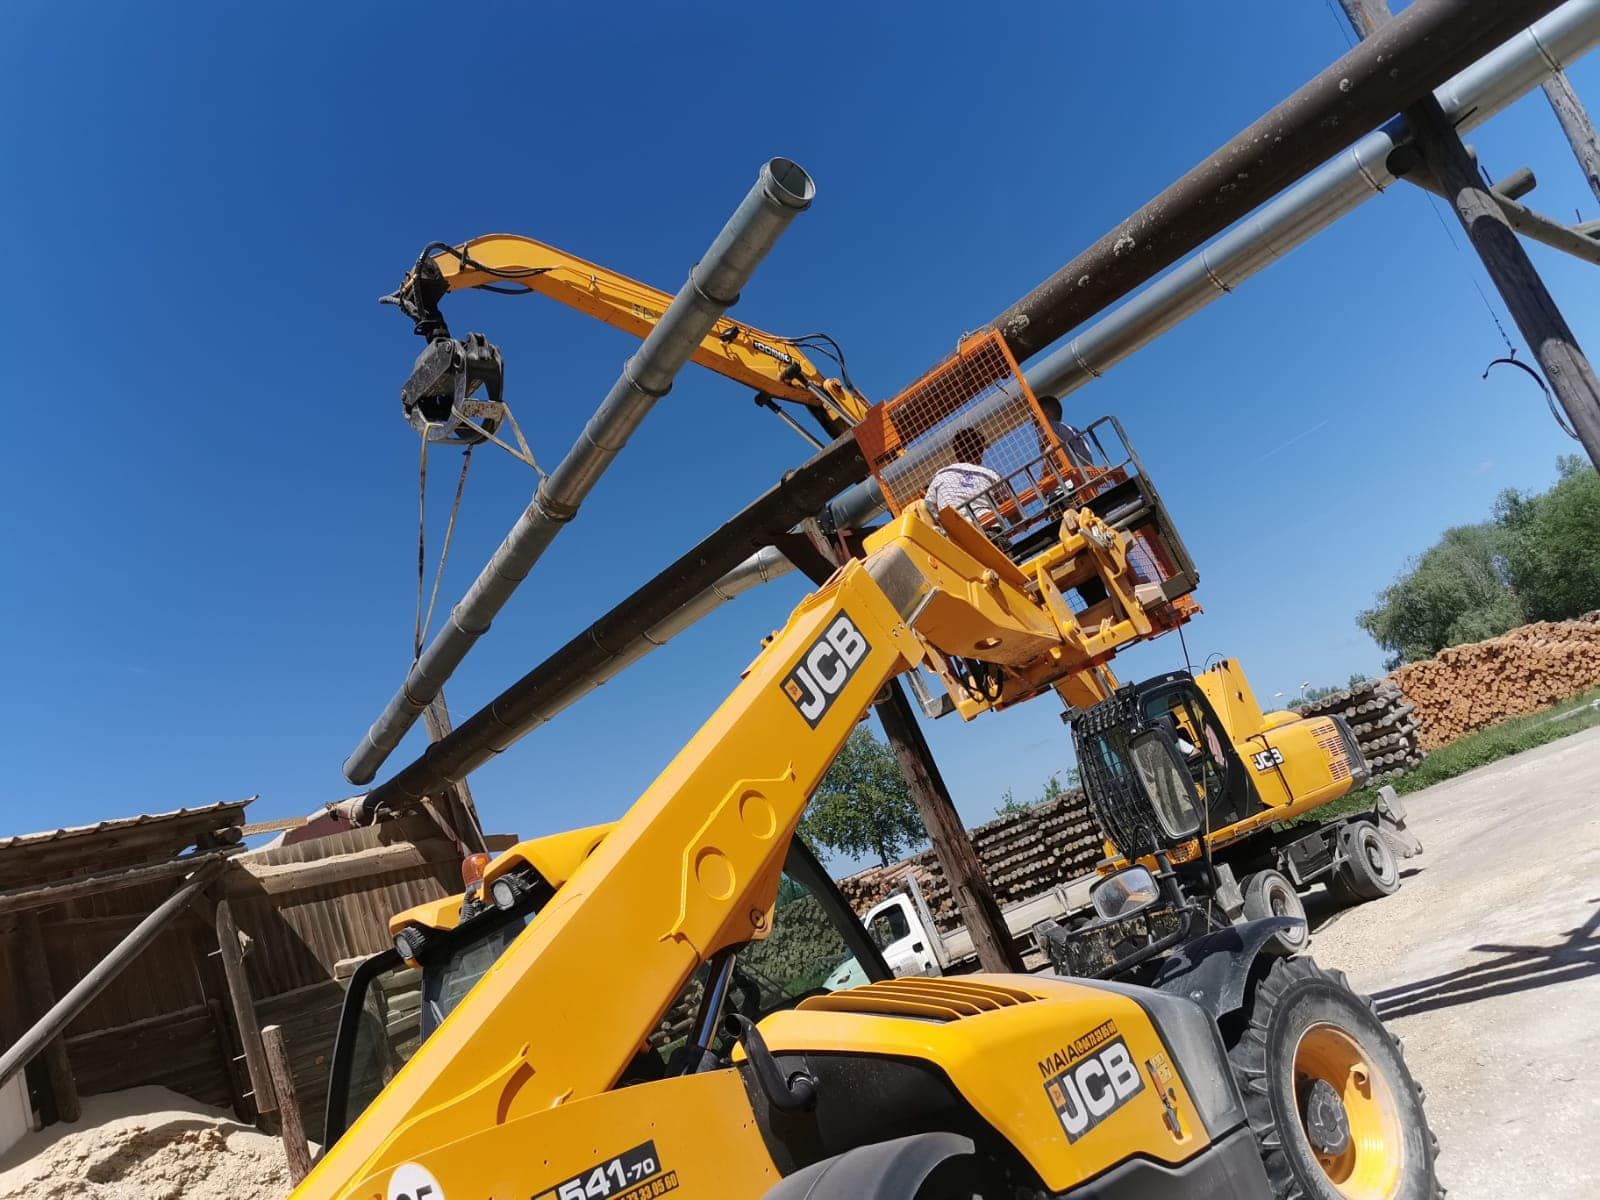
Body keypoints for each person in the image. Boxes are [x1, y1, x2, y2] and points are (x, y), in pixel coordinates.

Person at [923, 427, 1002, 526]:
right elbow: (1008, 501)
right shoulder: (991, 475)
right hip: (988, 526)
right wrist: (1020, 524)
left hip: (955, 532)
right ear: (980, 453)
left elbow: (928, 504)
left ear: (956, 453)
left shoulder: (941, 475)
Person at [1037, 394, 1095, 468]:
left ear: (1045, 412)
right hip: (1087, 472)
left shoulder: (1047, 425)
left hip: (1072, 474)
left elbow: (1051, 449)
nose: (1032, 419)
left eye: (1034, 413)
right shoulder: (1075, 431)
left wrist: (1043, 474)